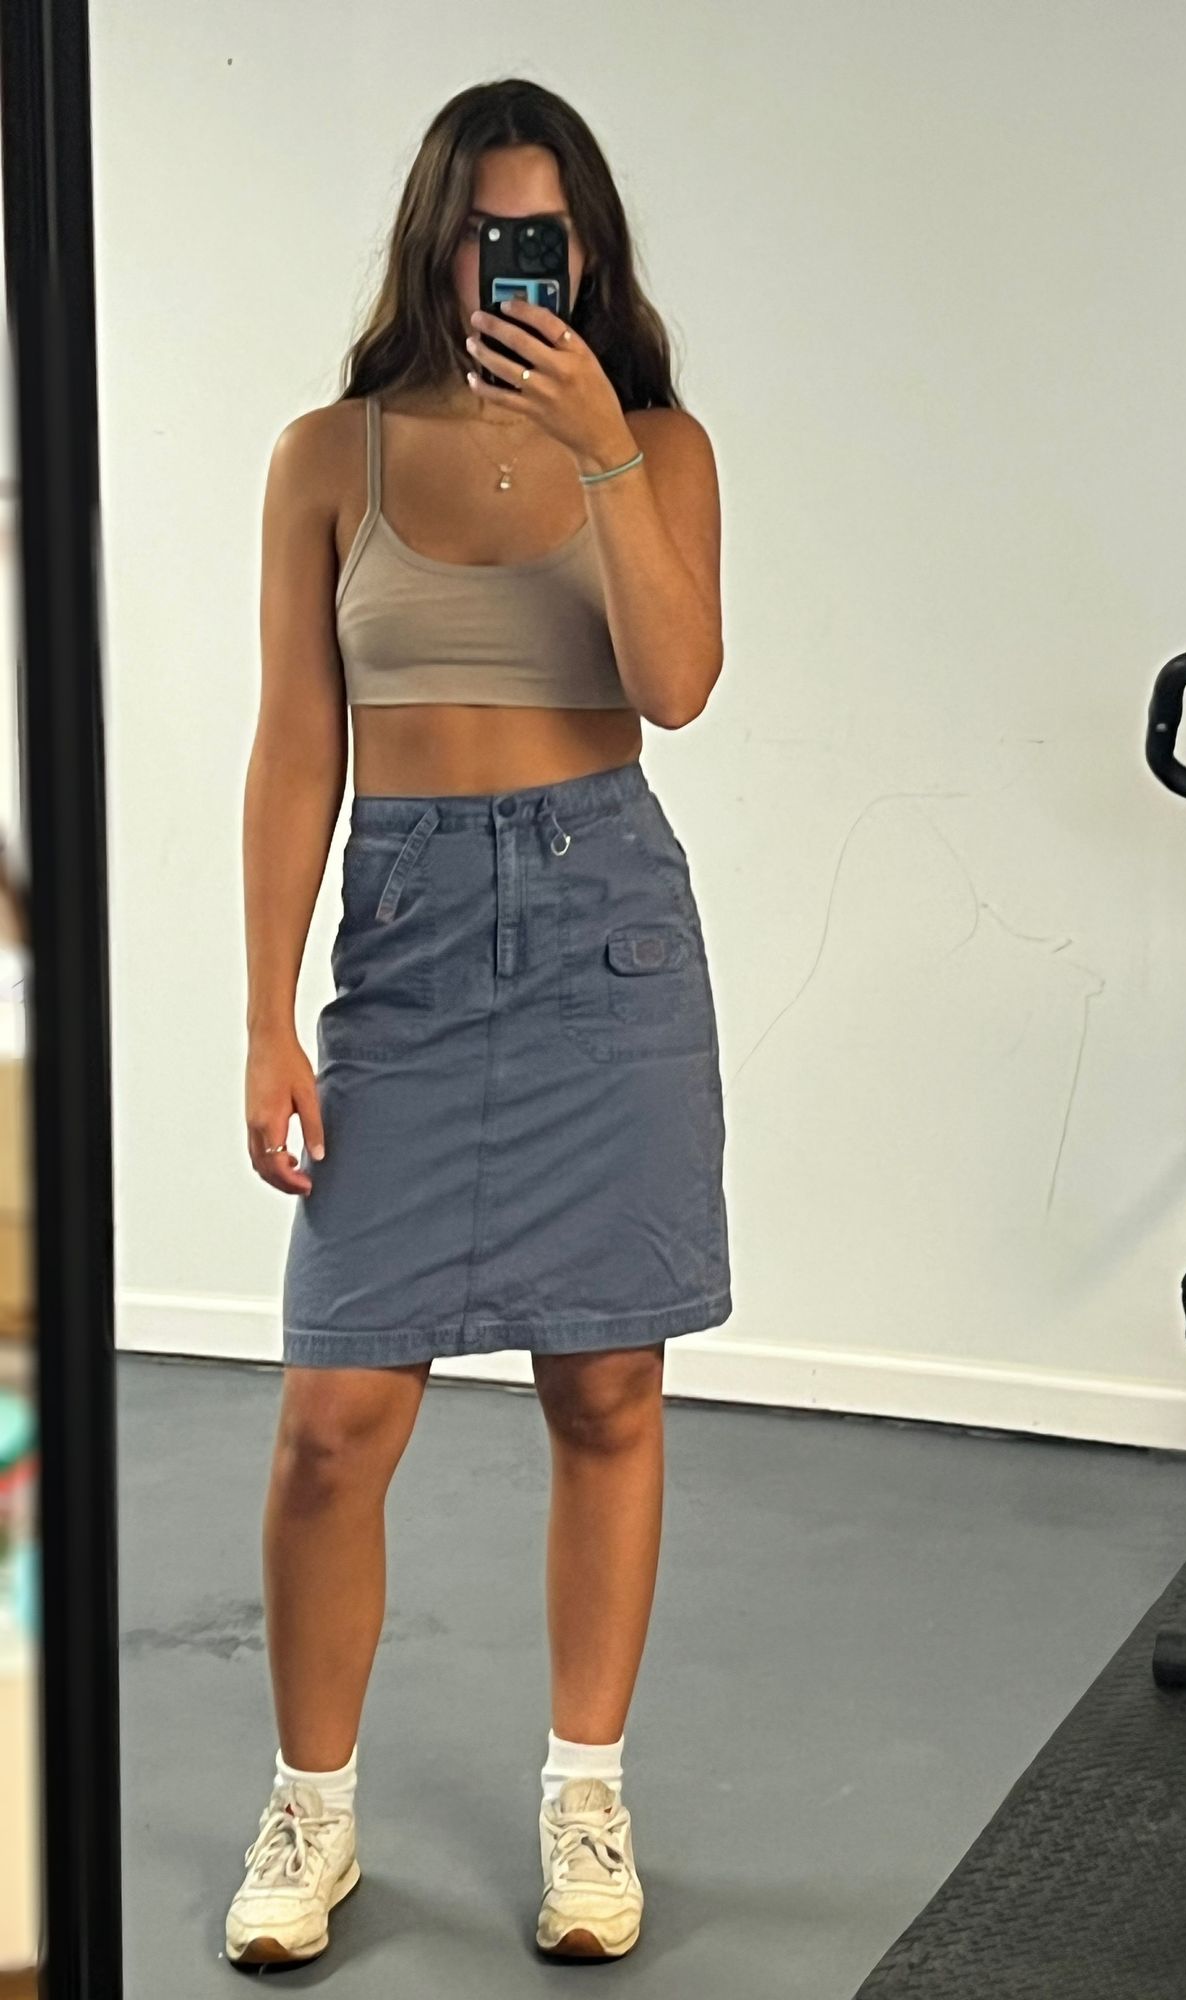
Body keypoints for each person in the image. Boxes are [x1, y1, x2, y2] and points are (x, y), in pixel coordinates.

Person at [225, 75, 730, 1969]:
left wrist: (601, 456)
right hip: (413, 945)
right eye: (484, 230)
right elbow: (297, 751)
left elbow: (677, 684)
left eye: (548, 234)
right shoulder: (327, 458)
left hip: (608, 930)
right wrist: (266, 1015)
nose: (515, 264)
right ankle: (314, 1809)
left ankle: (586, 1795)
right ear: (434, 243)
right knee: (334, 1419)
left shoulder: (660, 446)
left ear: (587, 251)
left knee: (606, 1390)